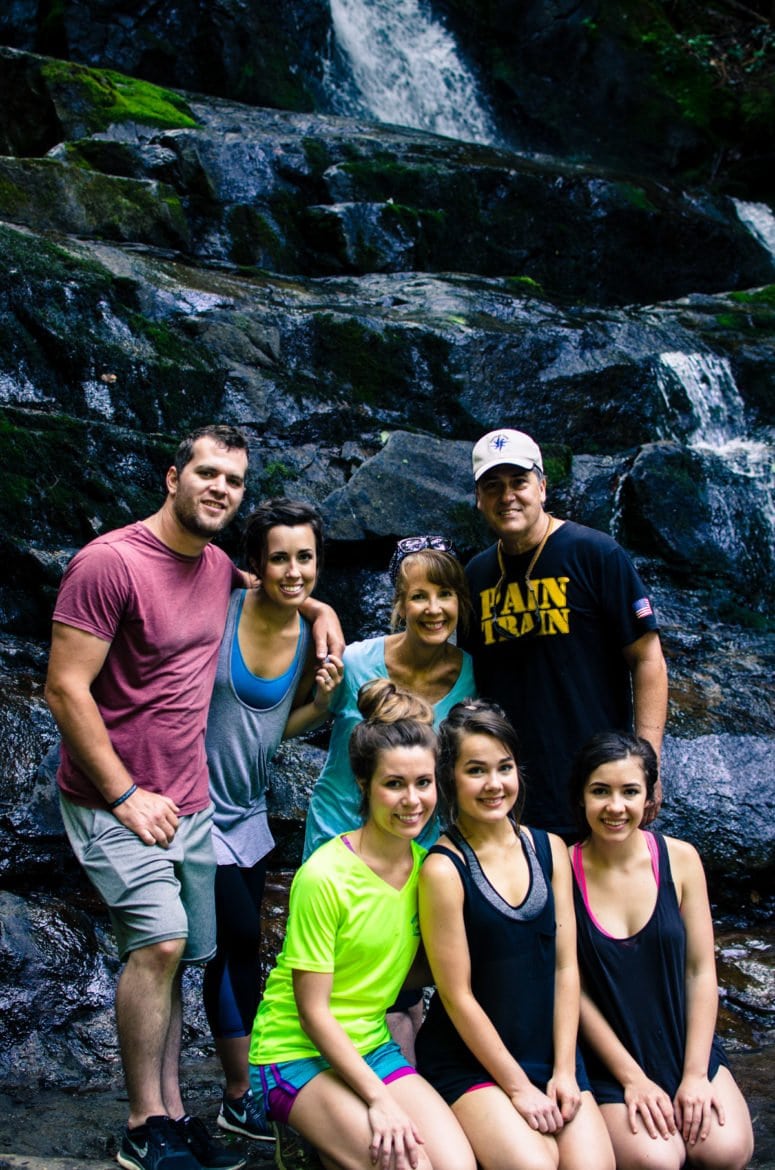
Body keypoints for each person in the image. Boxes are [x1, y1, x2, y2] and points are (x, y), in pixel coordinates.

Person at [44, 425, 344, 1170]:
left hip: (192, 804)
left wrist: (321, 614)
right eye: (206, 473)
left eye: (233, 481)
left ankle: (175, 1114)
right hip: (116, 797)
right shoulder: (109, 562)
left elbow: (281, 590)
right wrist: (123, 795)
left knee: (186, 960)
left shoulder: (215, 569)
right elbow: (63, 686)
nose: (219, 488)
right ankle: (145, 1126)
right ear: (171, 477)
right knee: (162, 942)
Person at [248, 679, 476, 1170]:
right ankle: (308, 1129)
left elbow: (418, 968)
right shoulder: (325, 875)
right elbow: (313, 1013)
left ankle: (330, 1144)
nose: (412, 800)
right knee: (407, 1165)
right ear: (364, 786)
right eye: (394, 784)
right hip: (294, 1052)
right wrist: (379, 1100)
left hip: (370, 1045)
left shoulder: (429, 869)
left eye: (423, 782)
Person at [416, 699, 614, 1170]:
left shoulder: (551, 848)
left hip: (549, 1053)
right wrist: (519, 1089)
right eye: (476, 770)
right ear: (450, 779)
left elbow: (567, 966)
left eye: (504, 767)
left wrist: (566, 1070)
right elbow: (457, 994)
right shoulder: (443, 870)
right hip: (471, 1061)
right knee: (536, 1165)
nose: (494, 784)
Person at [203, 499, 343, 1144]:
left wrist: (324, 701)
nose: (293, 570)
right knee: (232, 944)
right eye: (279, 557)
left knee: (247, 949)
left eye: (304, 558)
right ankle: (241, 1092)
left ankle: (246, 1089)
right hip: (194, 808)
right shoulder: (219, 613)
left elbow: (275, 730)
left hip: (250, 815)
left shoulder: (310, 635)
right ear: (253, 564)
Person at [459, 427, 668, 840]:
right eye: (493, 486)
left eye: (519, 482)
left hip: (596, 790)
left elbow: (648, 659)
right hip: (509, 797)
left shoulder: (596, 554)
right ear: (479, 499)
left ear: (541, 486)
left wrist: (647, 765)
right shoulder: (476, 575)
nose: (508, 496)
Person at [568, 731, 754, 1170]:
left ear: (649, 796)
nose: (616, 807)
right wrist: (632, 1079)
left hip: (680, 1040)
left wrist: (694, 1075)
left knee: (725, 1151)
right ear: (581, 796)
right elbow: (570, 986)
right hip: (611, 1057)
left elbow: (700, 971)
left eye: (630, 792)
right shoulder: (562, 866)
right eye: (600, 791)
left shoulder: (681, 859)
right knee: (658, 1160)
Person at [303, 535, 476, 860]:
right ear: (399, 602)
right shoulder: (353, 663)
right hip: (339, 835)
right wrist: (321, 702)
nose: (434, 609)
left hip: (418, 844)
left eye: (445, 594)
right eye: (419, 596)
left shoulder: (473, 677)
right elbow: (300, 722)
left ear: (460, 600)